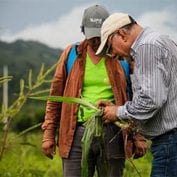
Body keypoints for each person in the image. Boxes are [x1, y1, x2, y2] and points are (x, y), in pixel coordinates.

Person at [41, 5, 131, 177]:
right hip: (76, 132)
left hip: (112, 131)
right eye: (92, 36)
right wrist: (48, 134)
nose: (96, 41)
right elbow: (55, 97)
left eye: (100, 35)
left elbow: (134, 95)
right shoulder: (72, 54)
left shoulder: (120, 56)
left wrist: (138, 137)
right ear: (82, 31)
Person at [96, 12, 177, 177]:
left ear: (122, 34)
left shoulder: (146, 47)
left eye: (110, 46)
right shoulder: (160, 40)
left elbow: (151, 100)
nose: (113, 54)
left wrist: (117, 112)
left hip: (170, 141)